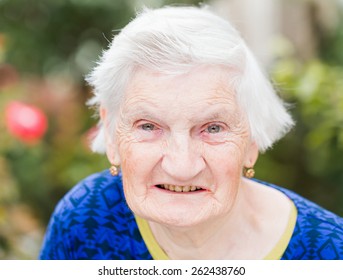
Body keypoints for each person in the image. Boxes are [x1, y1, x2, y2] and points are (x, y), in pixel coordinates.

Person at [39, 5, 343, 260]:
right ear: (111, 131)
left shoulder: (330, 254)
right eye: (149, 126)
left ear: (251, 140)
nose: (181, 167)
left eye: (212, 128)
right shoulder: (86, 218)